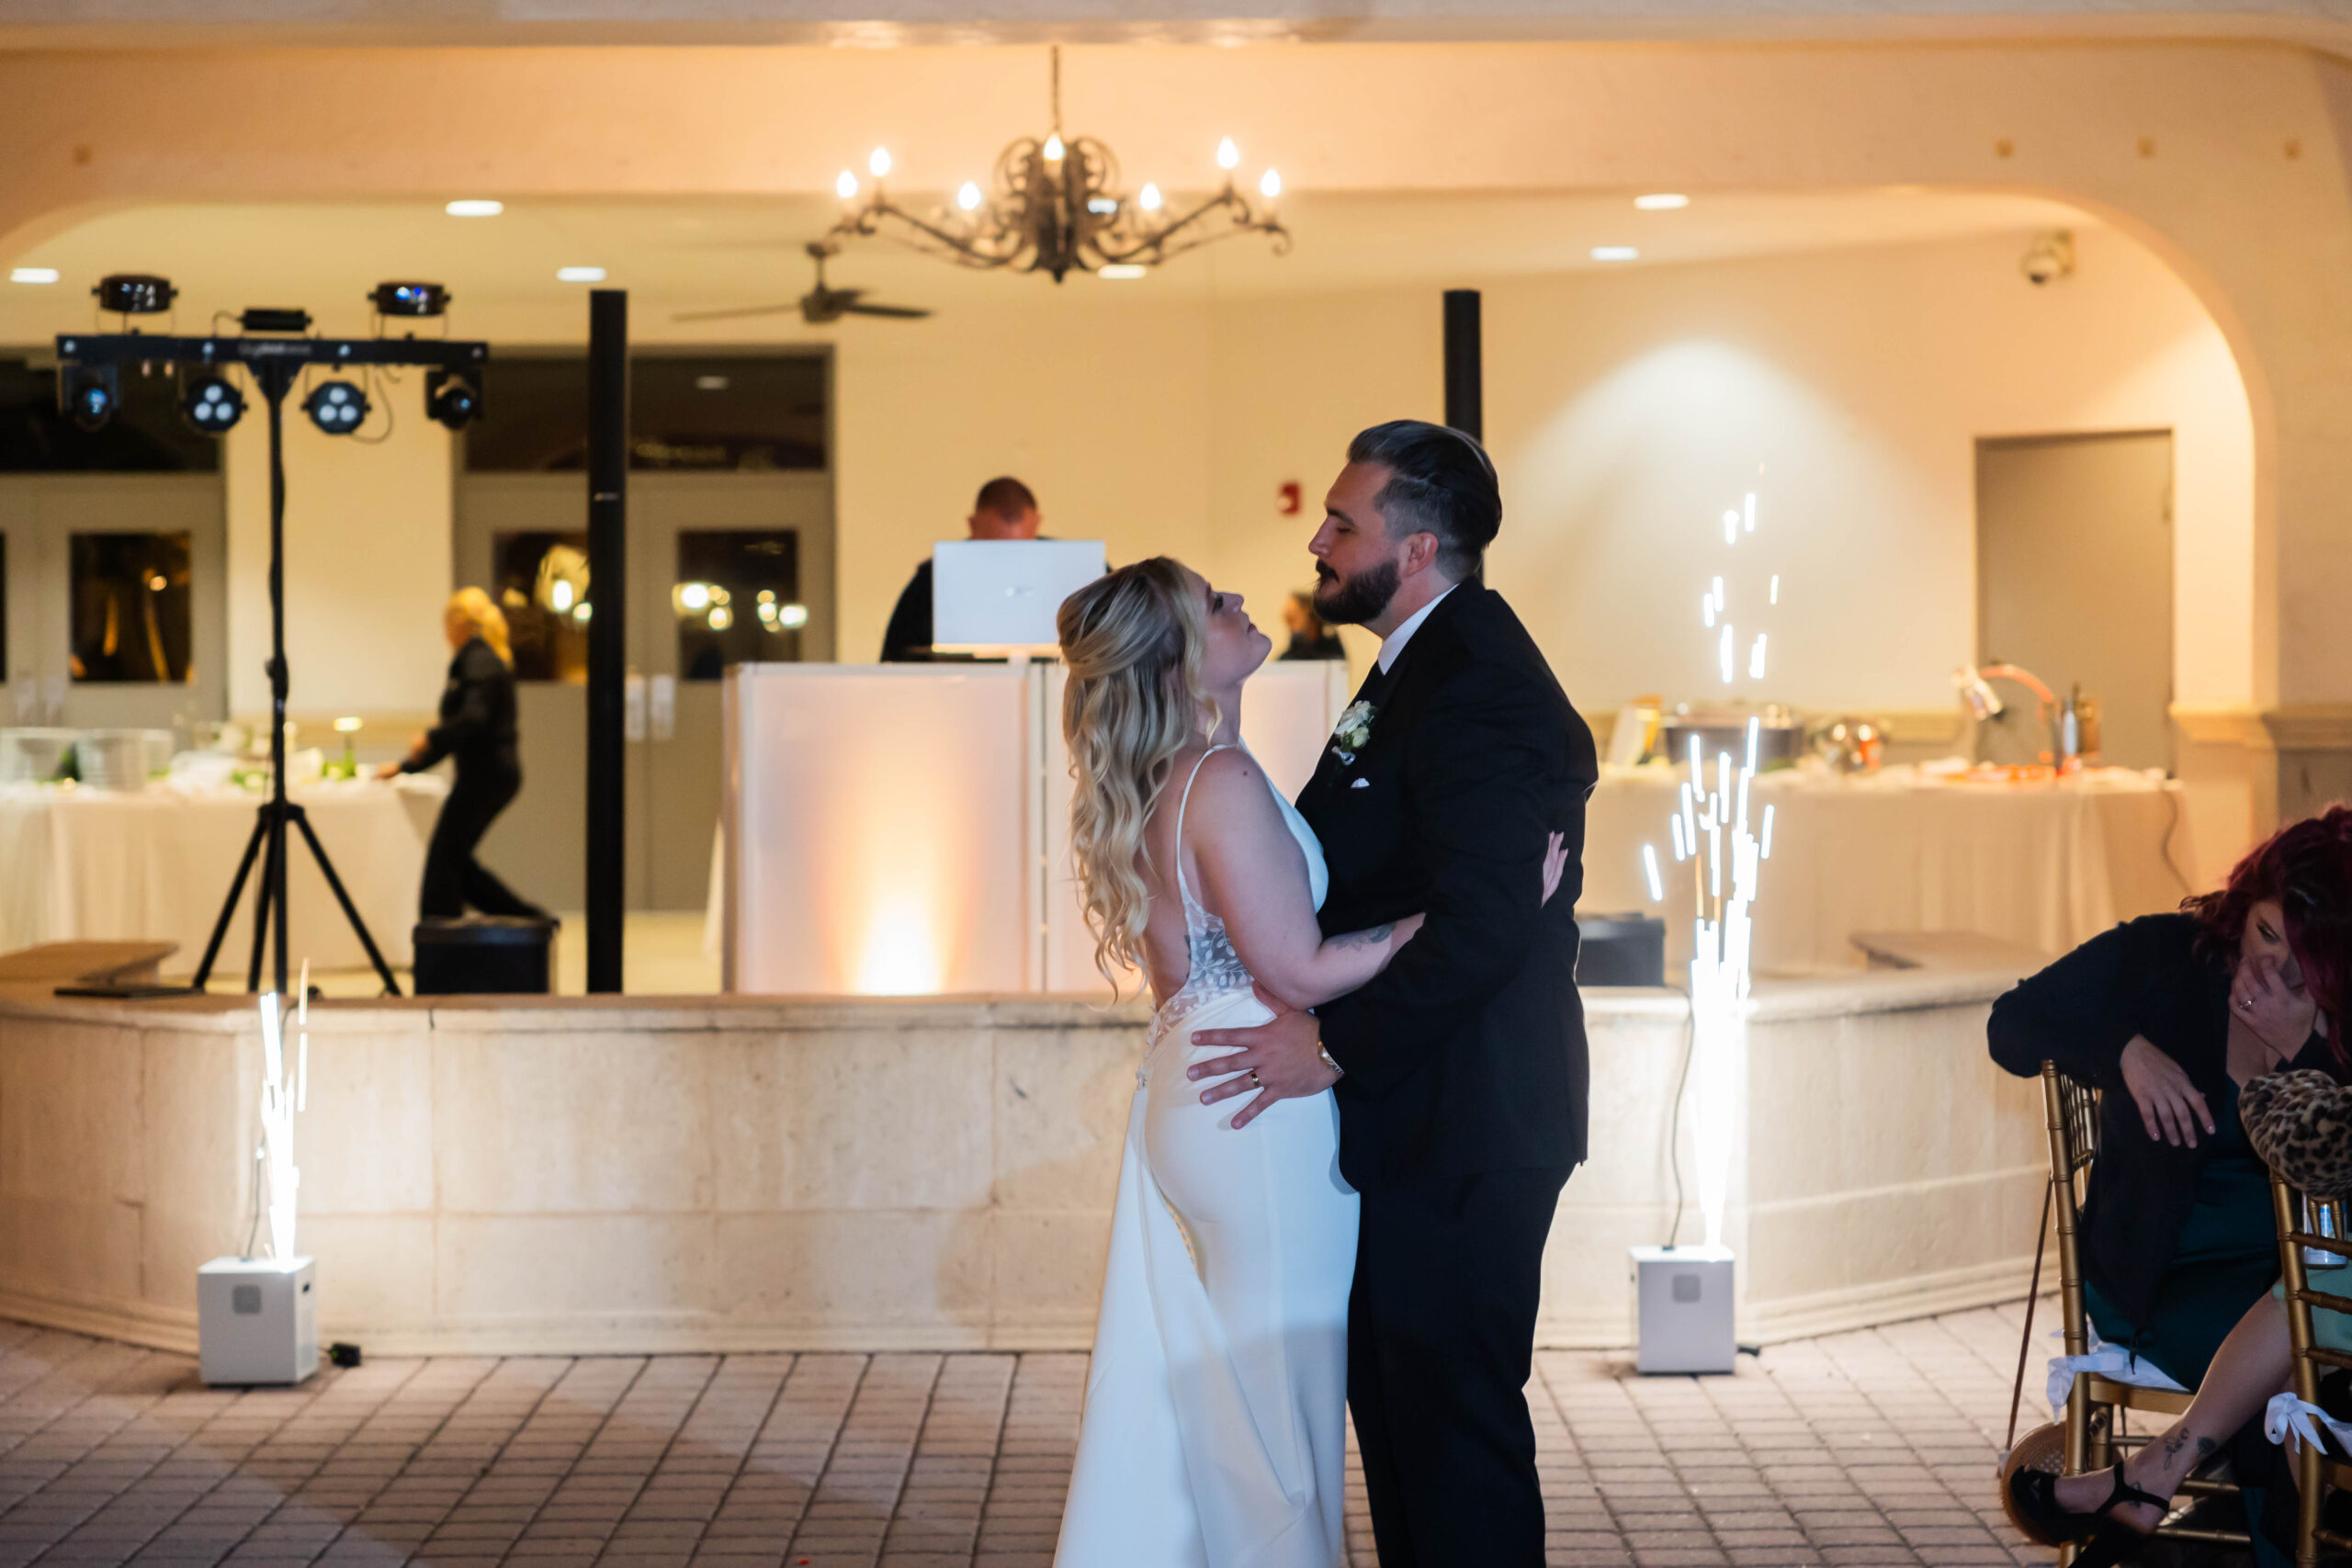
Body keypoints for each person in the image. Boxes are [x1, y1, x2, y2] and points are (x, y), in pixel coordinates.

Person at [1049, 553, 1570, 1567]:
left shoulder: (1176, 778)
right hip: (1260, 1105)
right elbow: (1300, 967)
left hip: (1199, 1090)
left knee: (1233, 1405)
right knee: (1279, 1423)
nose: (1240, 600)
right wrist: (1494, 901)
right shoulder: (1222, 778)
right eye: (1214, 603)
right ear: (1177, 662)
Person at [1188, 420, 1600, 1566]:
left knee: (1453, 1436)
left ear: (1415, 551)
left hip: (1468, 1119)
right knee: (1406, 1431)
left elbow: (1484, 925)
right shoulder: (1421, 663)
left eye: (1341, 522)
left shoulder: (1477, 685)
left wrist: (1333, 1047)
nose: (1317, 540)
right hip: (1420, 1117)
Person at [1996, 807, 2352, 1566]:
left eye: (2301, 966)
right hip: (2159, 1275)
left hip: (2296, 1275)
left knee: (2317, 1323)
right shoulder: (2167, 955)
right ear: (2245, 899)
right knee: (2314, 1352)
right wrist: (2121, 1049)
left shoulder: (2333, 1025)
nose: (2269, 972)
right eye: (2264, 934)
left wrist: (2306, 1047)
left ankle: (2157, 1499)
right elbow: (2014, 1022)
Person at [379, 587, 548, 921]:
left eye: (445, 625)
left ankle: (444, 939)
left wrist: (429, 738)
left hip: (487, 777)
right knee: (455, 861)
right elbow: (458, 732)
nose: (444, 635)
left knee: (444, 861)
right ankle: (528, 920)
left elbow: (471, 721)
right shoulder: (475, 661)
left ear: (458, 624)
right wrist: (406, 766)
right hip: (486, 776)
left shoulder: (478, 661)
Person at [878, 475, 1041, 661]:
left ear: (1037, 524)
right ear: (972, 525)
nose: (1008, 562)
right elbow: (899, 658)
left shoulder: (1055, 576)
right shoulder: (932, 582)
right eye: (995, 550)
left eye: (1021, 550)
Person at [1278, 589, 1346, 660]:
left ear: (1311, 615)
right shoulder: (1287, 658)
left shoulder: (1333, 653)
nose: (1289, 623)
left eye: (1293, 616)